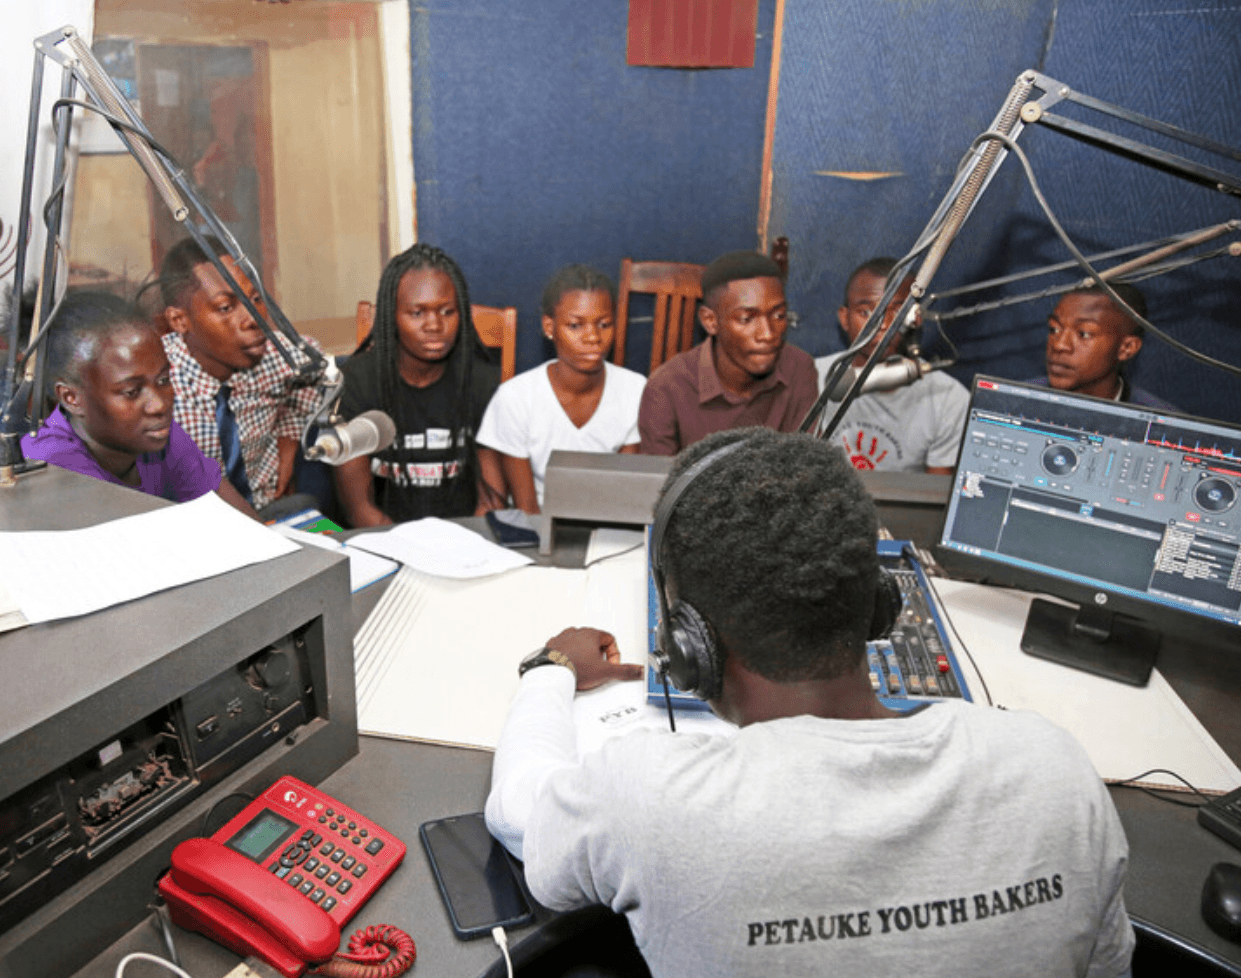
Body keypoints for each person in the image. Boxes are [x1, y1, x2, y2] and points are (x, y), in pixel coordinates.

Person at [485, 428, 1135, 978]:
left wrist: (552, 668)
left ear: (688, 642)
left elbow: (519, 812)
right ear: (880, 606)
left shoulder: (648, 802)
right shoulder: (1055, 771)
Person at [22, 291, 257, 518]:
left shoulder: (158, 435)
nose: (159, 406)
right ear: (71, 398)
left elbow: (242, 523)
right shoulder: (51, 465)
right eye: (131, 392)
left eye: (163, 380)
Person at [332, 243, 504, 526]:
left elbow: (491, 502)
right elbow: (359, 509)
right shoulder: (358, 382)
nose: (434, 324)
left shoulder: (482, 382)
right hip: (386, 542)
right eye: (417, 313)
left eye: (447, 311)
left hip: (465, 541)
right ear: (392, 317)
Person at [156, 237, 328, 516]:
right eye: (226, 307)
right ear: (179, 321)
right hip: (194, 527)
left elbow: (312, 369)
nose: (253, 319)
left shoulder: (277, 357)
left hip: (268, 513)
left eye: (256, 299)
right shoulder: (158, 385)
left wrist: (290, 434)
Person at [476, 265, 646, 512]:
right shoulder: (517, 398)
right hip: (538, 524)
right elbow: (528, 508)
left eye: (604, 324)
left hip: (604, 522)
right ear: (549, 327)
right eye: (575, 325)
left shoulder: (635, 390)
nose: (593, 337)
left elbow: (623, 496)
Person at [637, 251, 817, 454]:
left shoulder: (799, 369)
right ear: (710, 321)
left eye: (778, 315)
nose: (767, 334)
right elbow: (658, 482)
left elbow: (805, 468)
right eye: (746, 319)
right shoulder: (667, 389)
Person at [815, 257, 969, 473]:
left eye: (896, 311)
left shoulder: (948, 400)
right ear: (845, 318)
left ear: (916, 318)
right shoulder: (810, 378)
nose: (884, 324)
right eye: (866, 312)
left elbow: (935, 496)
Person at [1032, 282, 1175, 410]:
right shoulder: (1015, 400)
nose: (1059, 344)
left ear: (1127, 347)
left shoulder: (1166, 426)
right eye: (1054, 329)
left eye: (1084, 333)